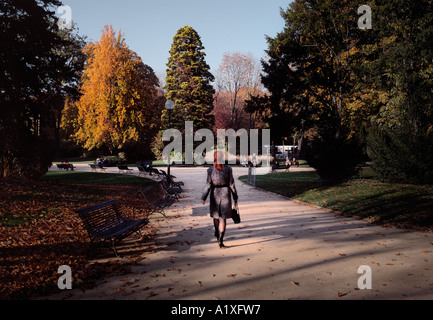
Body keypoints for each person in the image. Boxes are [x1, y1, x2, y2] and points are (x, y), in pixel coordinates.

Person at [201, 151, 238, 249]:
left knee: (216, 216)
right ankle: (221, 242)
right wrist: (235, 196)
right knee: (223, 218)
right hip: (226, 194)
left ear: (214, 158)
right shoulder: (228, 169)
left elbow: (208, 184)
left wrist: (204, 196)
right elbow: (231, 184)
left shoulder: (210, 170)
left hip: (214, 194)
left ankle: (216, 231)